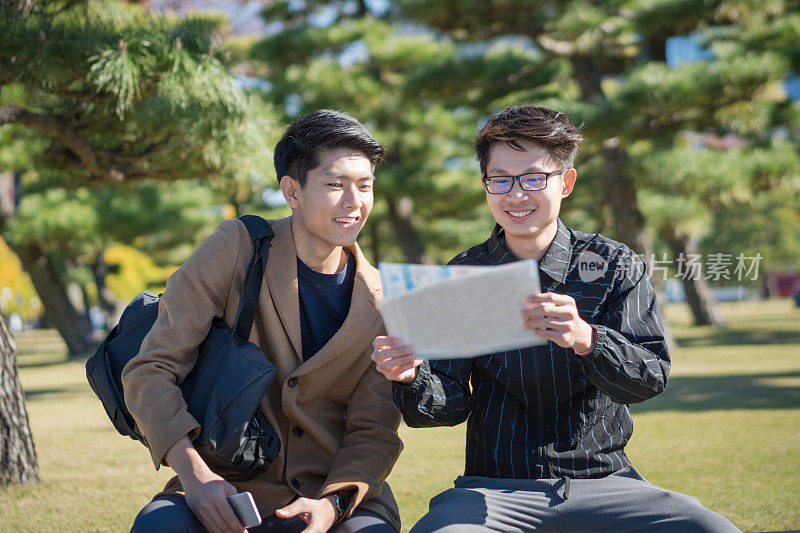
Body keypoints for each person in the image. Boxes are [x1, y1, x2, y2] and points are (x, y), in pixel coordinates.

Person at [371, 106, 740, 532]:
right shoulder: (462, 275)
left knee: (711, 529)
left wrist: (589, 340)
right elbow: (446, 408)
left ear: (565, 182)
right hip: (494, 490)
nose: (515, 195)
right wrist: (411, 377)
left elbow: (650, 378)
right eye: (500, 180)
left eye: (532, 178)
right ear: (485, 184)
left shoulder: (615, 265)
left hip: (606, 484)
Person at [123, 109, 402, 533]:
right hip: (225, 482)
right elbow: (150, 370)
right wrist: (196, 478)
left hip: (335, 494)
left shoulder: (383, 301)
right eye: (335, 185)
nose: (354, 202)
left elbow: (374, 430)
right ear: (292, 191)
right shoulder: (237, 248)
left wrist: (332, 503)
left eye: (365, 186)